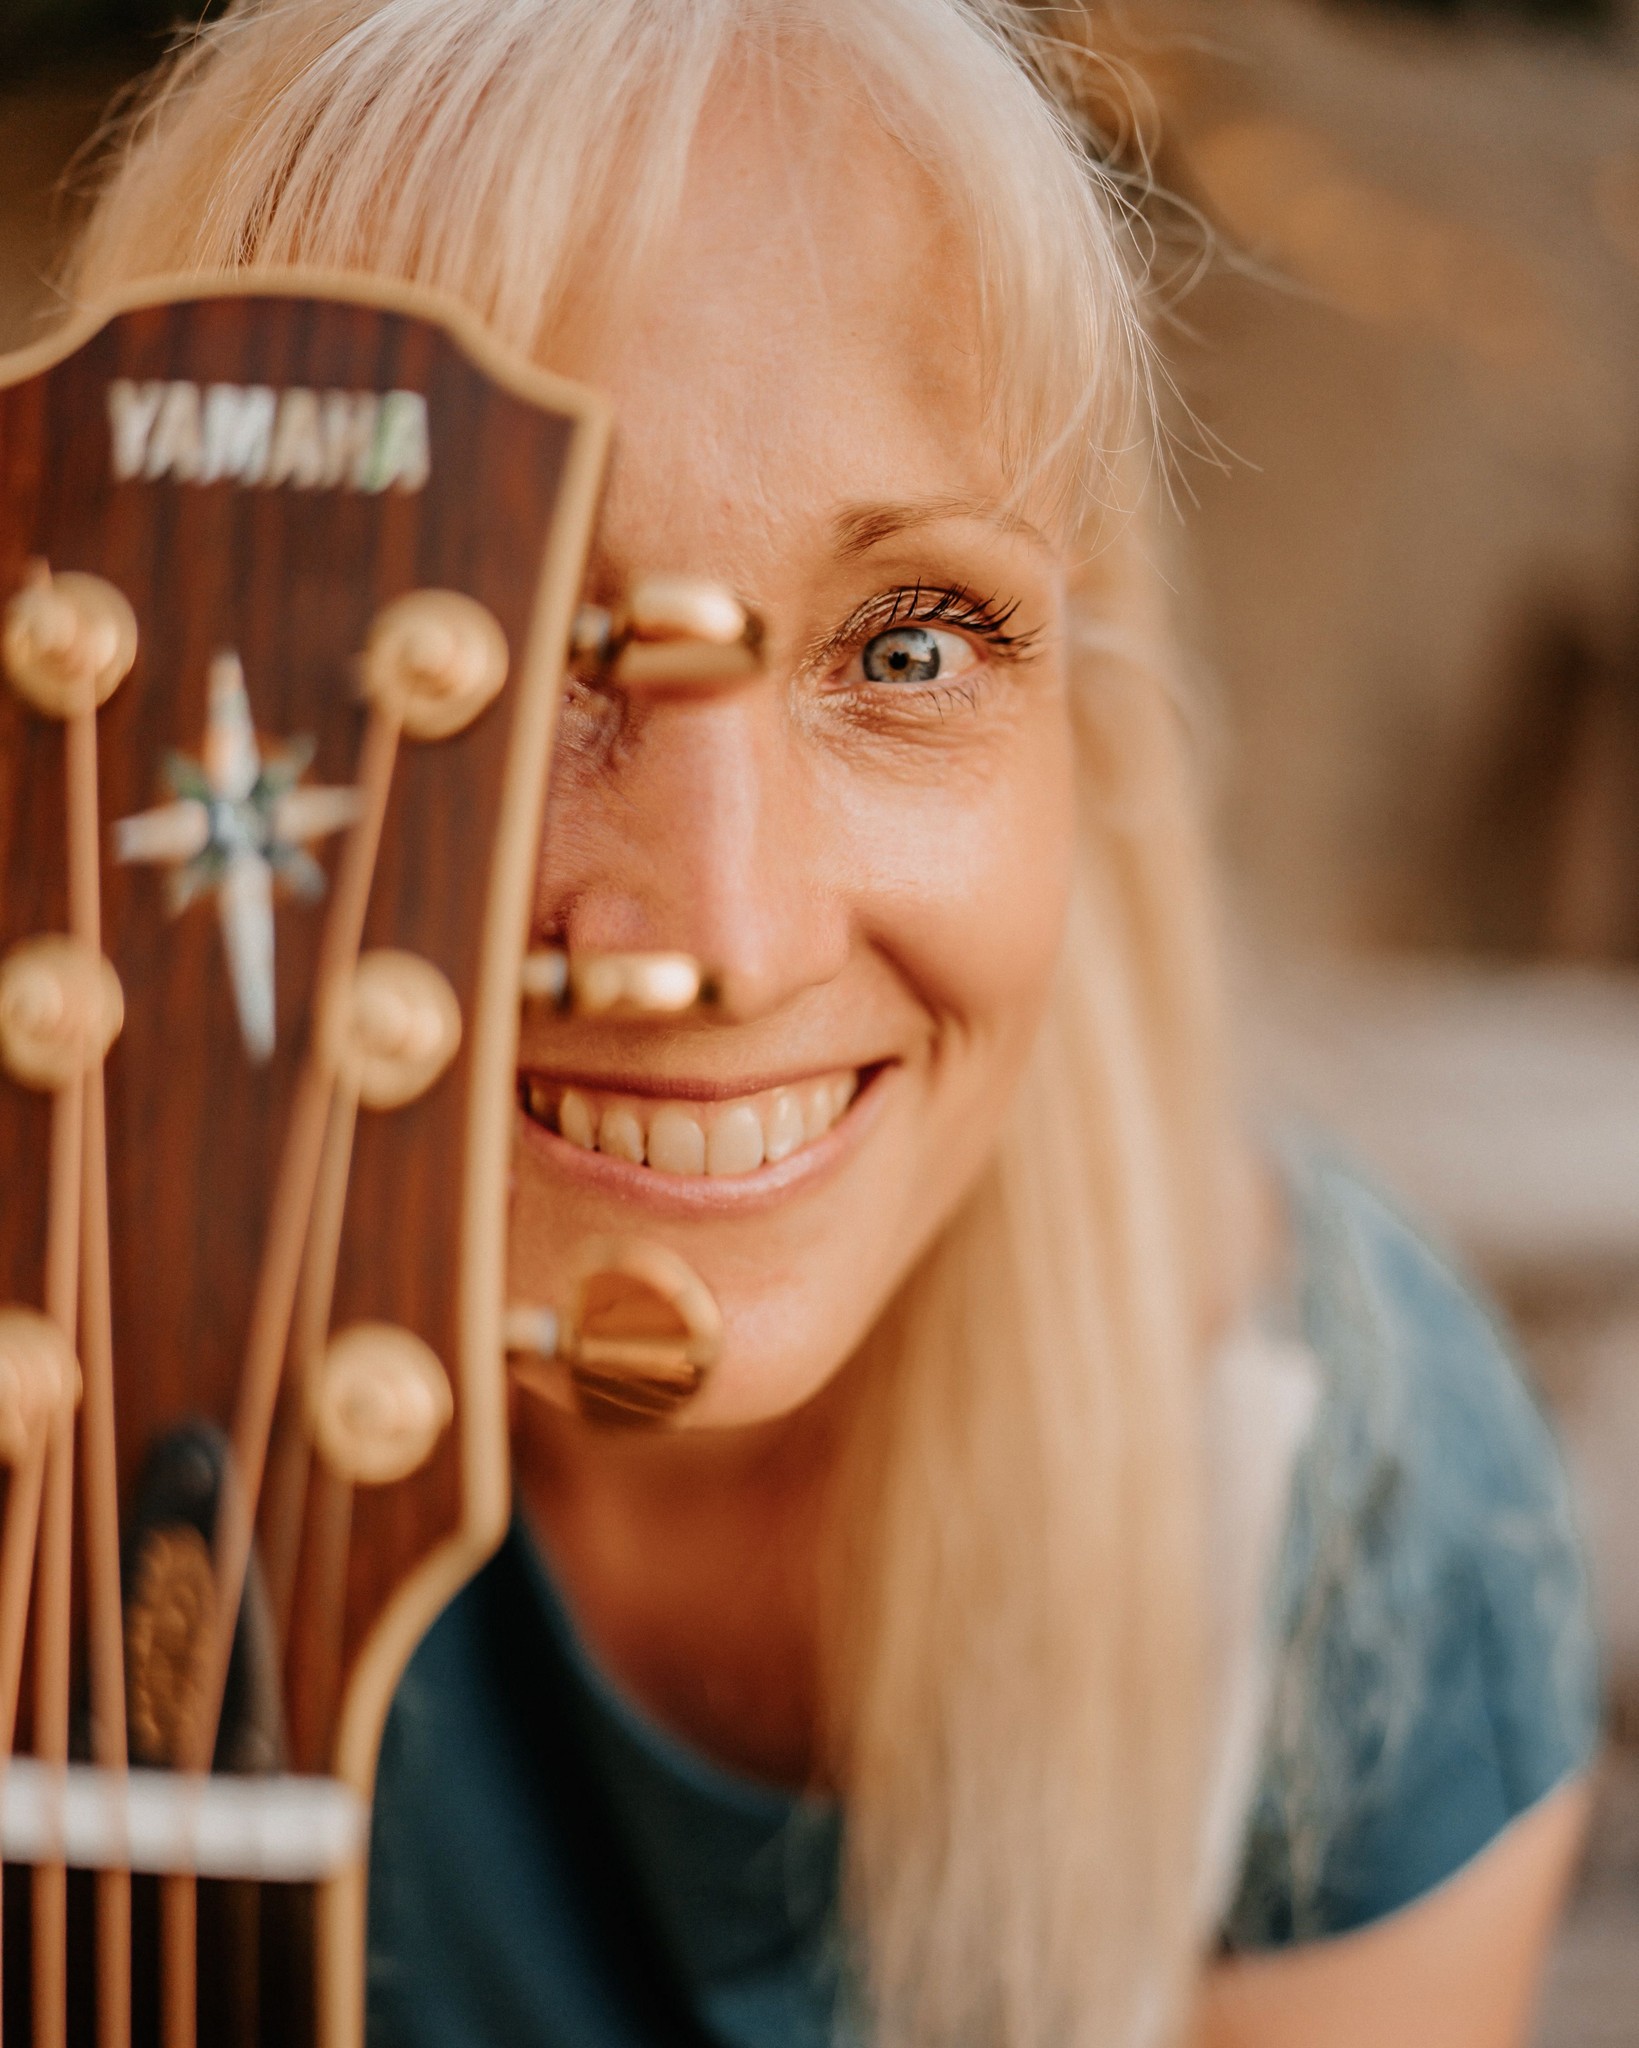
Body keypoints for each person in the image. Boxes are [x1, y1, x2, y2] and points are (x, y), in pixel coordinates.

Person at [66, 3, 1599, 2043]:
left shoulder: (1351, 1524)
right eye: (485, 647)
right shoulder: (48, 1415)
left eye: (907, 644)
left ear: (1088, 724)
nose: (724, 928)